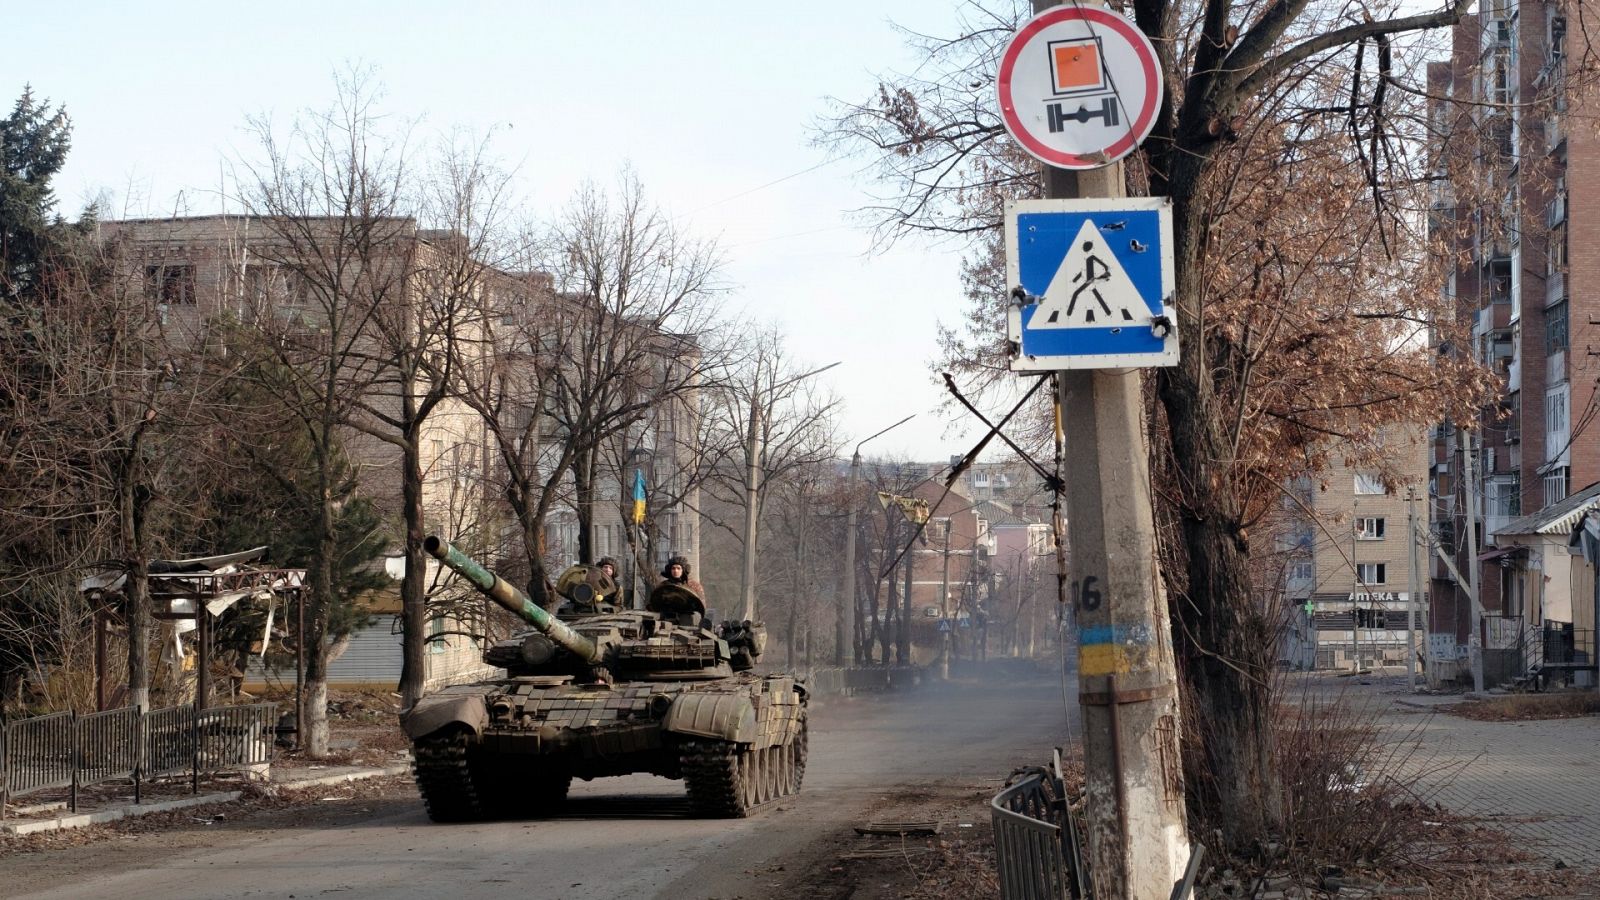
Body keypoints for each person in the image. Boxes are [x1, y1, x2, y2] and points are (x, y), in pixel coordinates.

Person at [649, 555, 705, 621]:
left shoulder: (694, 586)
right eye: (673, 568)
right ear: (669, 570)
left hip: (688, 620)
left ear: (683, 570)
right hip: (666, 619)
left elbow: (701, 607)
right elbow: (654, 604)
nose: (675, 571)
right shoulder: (663, 586)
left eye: (678, 568)